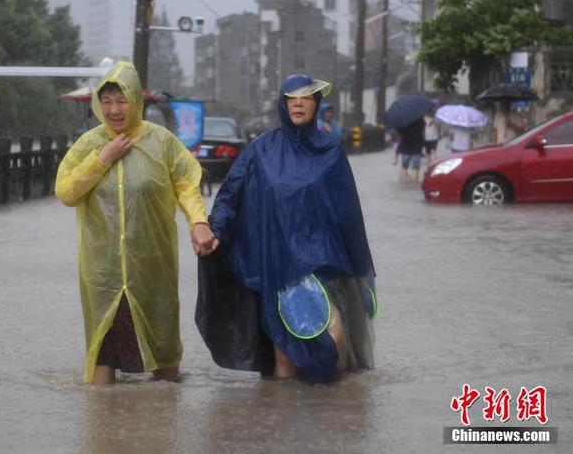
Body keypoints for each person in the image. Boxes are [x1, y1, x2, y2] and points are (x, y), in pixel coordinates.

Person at [196, 74, 376, 383]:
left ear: (316, 104)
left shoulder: (331, 153)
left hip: (324, 265)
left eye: (306, 97)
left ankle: (338, 420)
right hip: (277, 266)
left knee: (334, 335)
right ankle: (278, 422)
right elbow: (230, 196)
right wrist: (214, 231)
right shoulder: (261, 151)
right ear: (283, 104)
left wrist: (357, 269)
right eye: (292, 98)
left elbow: (348, 215)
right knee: (285, 352)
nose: (299, 103)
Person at [55, 61, 217, 385]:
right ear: (98, 104)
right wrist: (104, 158)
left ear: (135, 100)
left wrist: (198, 222)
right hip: (104, 273)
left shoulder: (162, 142)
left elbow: (186, 183)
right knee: (104, 357)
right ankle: (103, 430)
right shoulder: (89, 144)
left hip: (153, 267)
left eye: (122, 99)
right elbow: (66, 192)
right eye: (107, 101)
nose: (114, 109)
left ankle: (164, 425)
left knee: (164, 352)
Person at [397, 117, 425, 182]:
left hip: (406, 147)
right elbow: (423, 131)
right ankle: (414, 184)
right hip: (417, 146)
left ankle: (404, 183)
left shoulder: (403, 120)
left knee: (404, 166)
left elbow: (400, 132)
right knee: (415, 168)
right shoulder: (420, 119)